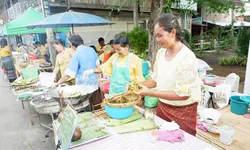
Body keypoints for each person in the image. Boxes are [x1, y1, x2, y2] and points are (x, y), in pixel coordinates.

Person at [135, 14, 202, 136]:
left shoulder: (187, 57)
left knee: (182, 144)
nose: (157, 40)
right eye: (156, 36)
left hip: (183, 112)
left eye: (160, 35)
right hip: (163, 109)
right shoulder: (161, 53)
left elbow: (183, 94)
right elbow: (155, 80)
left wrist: (149, 92)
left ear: (173, 32)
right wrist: (136, 86)